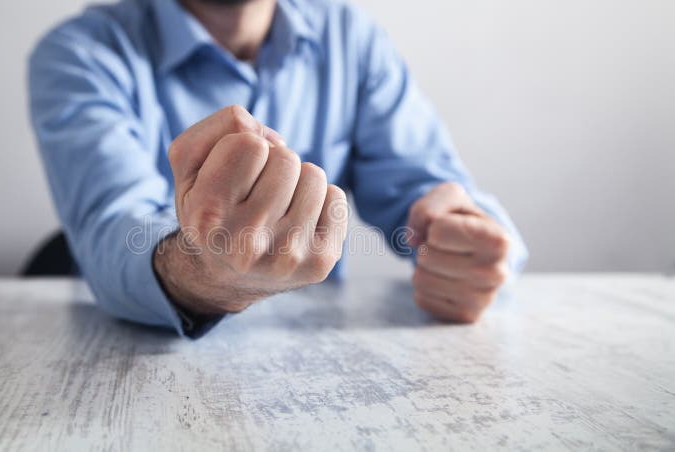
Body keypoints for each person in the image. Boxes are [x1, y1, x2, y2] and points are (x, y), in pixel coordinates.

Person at [28, 0, 528, 338]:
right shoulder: (80, 54)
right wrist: (205, 270)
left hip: (318, 361)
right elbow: (112, 228)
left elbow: (431, 189)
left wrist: (470, 246)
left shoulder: (349, 38)